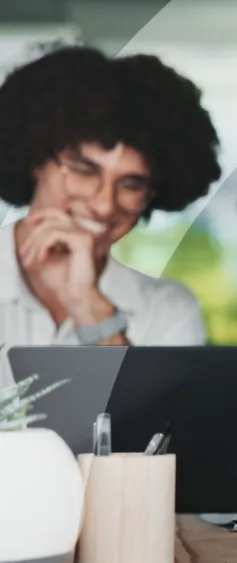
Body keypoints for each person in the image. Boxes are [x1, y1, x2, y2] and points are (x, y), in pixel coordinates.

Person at [0, 45, 221, 388]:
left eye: (131, 183)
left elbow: (164, 432)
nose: (104, 205)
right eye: (84, 170)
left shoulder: (167, 310)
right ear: (34, 161)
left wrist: (89, 308)